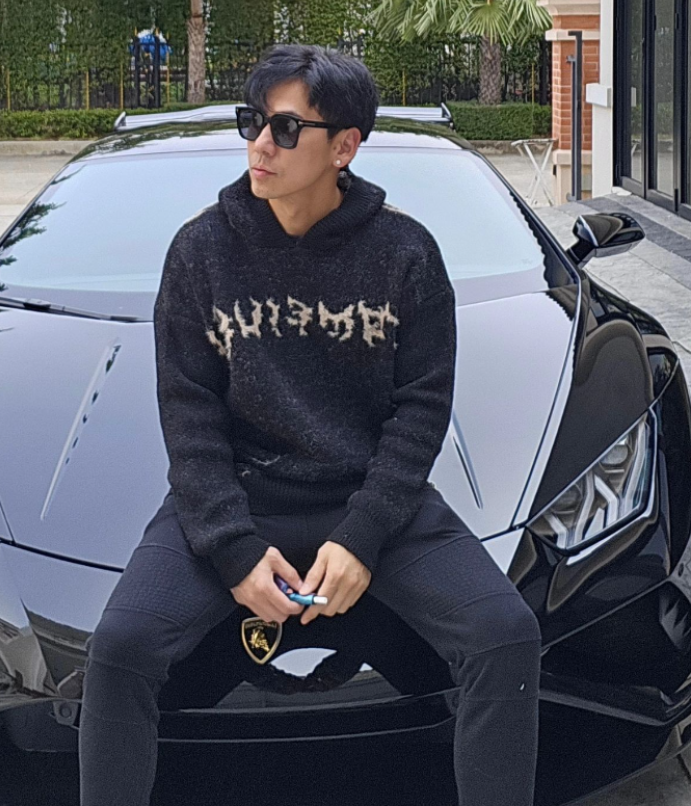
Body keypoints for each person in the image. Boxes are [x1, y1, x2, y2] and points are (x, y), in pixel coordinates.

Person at [78, 43, 542, 806]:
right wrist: (231, 548)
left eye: (287, 128)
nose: (261, 144)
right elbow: (188, 413)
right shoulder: (200, 250)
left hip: (367, 496)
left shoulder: (406, 252)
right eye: (253, 122)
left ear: (345, 147)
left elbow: (421, 409)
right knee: (121, 648)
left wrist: (362, 537)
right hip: (244, 492)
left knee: (505, 633)